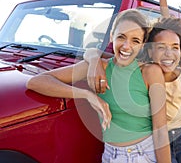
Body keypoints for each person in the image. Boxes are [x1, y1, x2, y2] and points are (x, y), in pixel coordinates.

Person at [26, 9, 171, 163]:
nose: (126, 46)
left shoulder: (150, 72)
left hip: (145, 154)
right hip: (110, 155)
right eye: (121, 37)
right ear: (111, 37)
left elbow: (160, 131)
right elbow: (36, 82)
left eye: (135, 40)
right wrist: (87, 95)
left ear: (142, 45)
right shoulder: (99, 67)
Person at [143, 17, 181, 163]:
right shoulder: (143, 76)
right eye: (161, 47)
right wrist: (93, 55)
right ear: (150, 51)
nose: (169, 54)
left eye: (175, 47)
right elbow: (113, 61)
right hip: (156, 141)